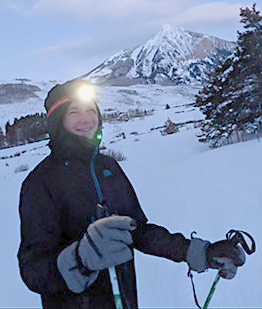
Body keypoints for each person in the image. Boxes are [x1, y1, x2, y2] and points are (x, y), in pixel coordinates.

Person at [18, 79, 245, 309]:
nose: (86, 119)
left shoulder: (108, 168)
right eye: (74, 112)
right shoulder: (40, 182)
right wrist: (80, 260)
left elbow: (138, 231)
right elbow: (32, 269)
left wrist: (197, 252)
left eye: (90, 110)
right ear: (58, 121)